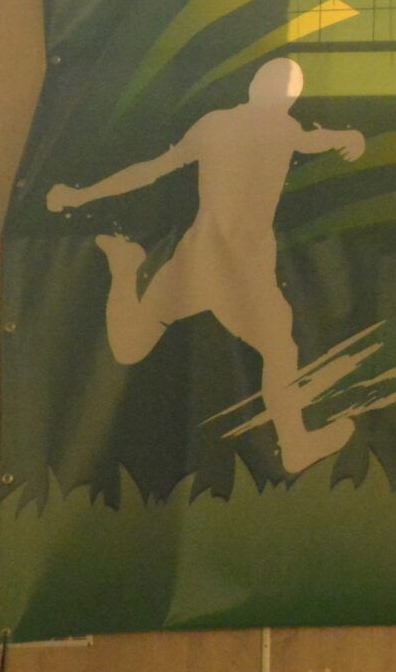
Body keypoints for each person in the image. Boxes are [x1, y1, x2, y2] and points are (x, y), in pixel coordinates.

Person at [47, 57, 365, 472]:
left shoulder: (256, 127)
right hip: (205, 265)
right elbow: (150, 170)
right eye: (283, 90)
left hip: (231, 270)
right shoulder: (246, 127)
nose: (282, 98)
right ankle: (125, 268)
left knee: (277, 349)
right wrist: (81, 195)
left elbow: (152, 170)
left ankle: (294, 446)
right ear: (264, 91)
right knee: (131, 348)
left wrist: (80, 196)